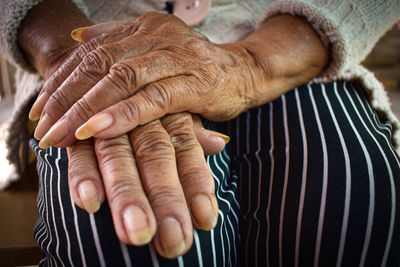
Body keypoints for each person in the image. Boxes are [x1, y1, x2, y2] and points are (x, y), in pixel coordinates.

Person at [1, 0, 400, 266]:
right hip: (87, 42)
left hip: (291, 48)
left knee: (347, 217)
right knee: (135, 249)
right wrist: (83, 60)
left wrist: (252, 64)